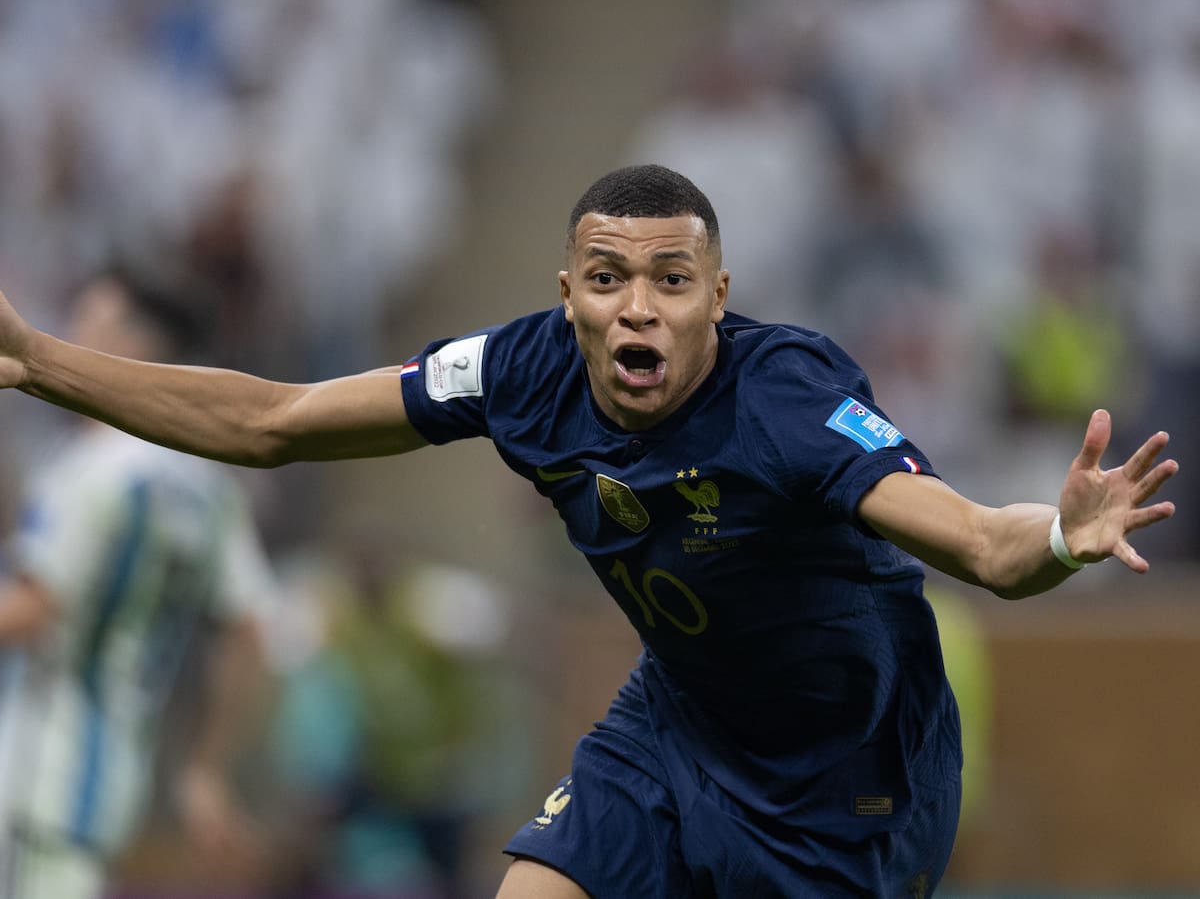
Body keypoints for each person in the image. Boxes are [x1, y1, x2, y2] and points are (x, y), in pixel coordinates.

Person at [0, 165, 1179, 897]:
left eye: (672, 281)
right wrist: (40, 362)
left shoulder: (786, 400)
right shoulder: (519, 370)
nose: (637, 309)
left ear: (719, 298)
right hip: (678, 725)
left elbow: (977, 544)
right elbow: (272, 422)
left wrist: (1060, 538)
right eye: (607, 278)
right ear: (567, 294)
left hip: (850, 774)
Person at [0, 268, 276, 899]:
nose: (66, 334)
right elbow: (252, 630)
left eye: (87, 320)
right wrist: (207, 767)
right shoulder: (208, 485)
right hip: (112, 777)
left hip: (42, 777)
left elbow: (34, 609)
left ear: (132, 345)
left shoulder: (93, 470)